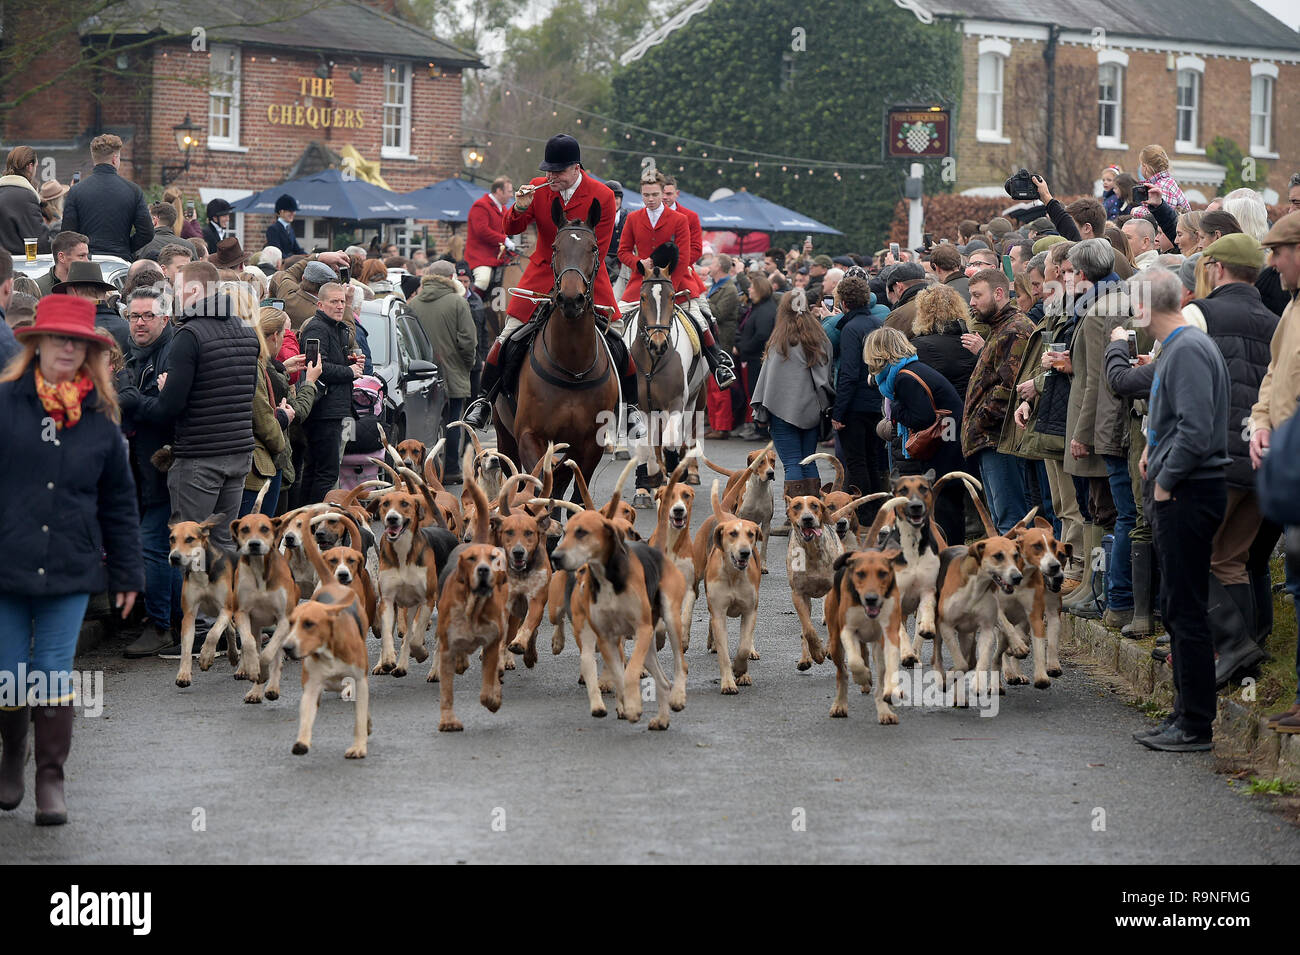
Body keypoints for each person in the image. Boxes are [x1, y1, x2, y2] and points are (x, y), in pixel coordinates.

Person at [0, 295, 143, 825]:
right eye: (58, 338)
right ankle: (13, 753)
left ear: (90, 352)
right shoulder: (5, 403)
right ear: (36, 343)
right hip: (7, 564)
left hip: (69, 565)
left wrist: (128, 572)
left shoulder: (101, 422)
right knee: (9, 675)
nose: (66, 348)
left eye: (77, 341)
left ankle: (50, 778)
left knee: (53, 673)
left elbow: (119, 504)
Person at [461, 134, 641, 435]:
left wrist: (575, 278)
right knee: (508, 333)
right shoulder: (539, 188)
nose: (550, 176)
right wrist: (519, 208)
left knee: (617, 339)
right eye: (548, 170)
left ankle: (630, 408)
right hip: (543, 273)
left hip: (585, 275)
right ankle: (483, 401)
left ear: (576, 168)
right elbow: (510, 228)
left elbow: (601, 245)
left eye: (557, 171)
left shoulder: (602, 196)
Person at [1133, 268, 1230, 752]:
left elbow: (1196, 428)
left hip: (1190, 490)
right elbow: (1179, 423)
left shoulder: (1187, 349)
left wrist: (1167, 480)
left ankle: (1195, 725)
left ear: (1148, 307)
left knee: (1185, 608)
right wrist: (1155, 448)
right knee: (1176, 605)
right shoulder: (1179, 348)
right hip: (1184, 485)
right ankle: (1182, 716)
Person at [1187, 233, 1278, 682]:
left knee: (1189, 555)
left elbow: (1175, 379)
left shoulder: (1198, 313)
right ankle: (1244, 663)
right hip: (1262, 459)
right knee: (1232, 560)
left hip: (1211, 459)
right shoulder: (1277, 319)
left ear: (1217, 268)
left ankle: (1230, 648)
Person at [125, 261, 259, 551]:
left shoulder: (190, 334)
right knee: (223, 543)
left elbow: (169, 407)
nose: (172, 294)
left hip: (200, 457)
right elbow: (247, 391)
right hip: (239, 452)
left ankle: (190, 599)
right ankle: (223, 598)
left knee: (189, 547)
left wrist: (143, 397)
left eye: (177, 288)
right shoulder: (246, 329)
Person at [1249, 212, 1300, 733]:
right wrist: (1262, 423)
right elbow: (1271, 374)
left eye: (1278, 252)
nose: (1272, 263)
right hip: (1287, 456)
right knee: (1298, 585)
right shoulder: (1290, 308)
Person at [116, 285, 181, 659]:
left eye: (147, 317)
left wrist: (131, 398)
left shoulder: (171, 351)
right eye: (134, 316)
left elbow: (168, 409)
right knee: (162, 547)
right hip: (144, 465)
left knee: (153, 545)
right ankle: (171, 620)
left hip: (167, 463)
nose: (139, 323)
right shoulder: (136, 352)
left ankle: (161, 626)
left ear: (165, 318)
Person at [868, 327, 966, 545]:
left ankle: (949, 551)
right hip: (949, 436)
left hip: (945, 443)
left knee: (944, 501)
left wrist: (895, 407)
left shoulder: (904, 378)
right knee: (946, 500)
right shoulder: (911, 369)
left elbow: (921, 417)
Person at [960, 268, 1034, 533]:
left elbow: (1009, 387)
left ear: (999, 293)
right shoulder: (1001, 328)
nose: (972, 302)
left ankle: (1020, 573)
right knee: (1001, 519)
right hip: (990, 438)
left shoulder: (1015, 330)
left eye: (977, 295)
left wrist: (980, 422)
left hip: (999, 439)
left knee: (1010, 522)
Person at [749, 287, 833, 517]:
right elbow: (824, 380)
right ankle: (814, 514)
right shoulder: (820, 340)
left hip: (781, 411)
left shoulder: (780, 342)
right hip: (812, 411)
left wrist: (763, 411)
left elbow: (769, 381)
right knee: (809, 460)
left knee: (793, 462)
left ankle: (795, 516)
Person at [660, 175, 736, 387]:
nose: (664, 197)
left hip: (683, 274)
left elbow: (695, 249)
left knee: (703, 315)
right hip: (651, 276)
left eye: (668, 193)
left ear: (676, 193)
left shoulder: (689, 216)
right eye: (661, 193)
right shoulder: (646, 216)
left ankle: (718, 362)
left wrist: (677, 264)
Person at [408, 261, 476, 482]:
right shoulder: (458, 302)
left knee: (426, 424)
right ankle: (451, 469)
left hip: (421, 374)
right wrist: (467, 364)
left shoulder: (413, 303)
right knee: (453, 422)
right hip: (453, 371)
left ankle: (424, 470)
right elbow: (468, 341)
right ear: (451, 277)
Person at [299, 282, 364, 502]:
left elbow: (329, 360)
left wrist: (349, 362)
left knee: (316, 470)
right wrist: (349, 371)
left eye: (342, 302)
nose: (339, 306)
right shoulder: (317, 328)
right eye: (333, 301)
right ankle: (316, 523)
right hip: (323, 410)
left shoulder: (336, 327)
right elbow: (316, 366)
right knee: (325, 473)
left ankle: (307, 521)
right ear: (320, 304)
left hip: (333, 408)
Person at [830, 275, 887, 523]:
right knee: (872, 458)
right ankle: (876, 509)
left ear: (843, 303)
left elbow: (849, 373)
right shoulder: (877, 322)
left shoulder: (850, 329)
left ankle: (864, 513)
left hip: (855, 404)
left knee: (857, 461)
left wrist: (838, 413)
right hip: (877, 400)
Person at [60, 134, 153, 260]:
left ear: (94, 159)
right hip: (120, 260)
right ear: (115, 159)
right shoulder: (133, 191)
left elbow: (67, 234)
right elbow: (146, 233)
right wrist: (125, 248)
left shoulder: (76, 191)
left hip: (86, 262)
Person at [51, 261, 128, 351]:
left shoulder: (69, 333)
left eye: (67, 294)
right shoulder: (128, 328)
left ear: (73, 292)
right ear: (104, 293)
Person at [735, 273, 777, 440]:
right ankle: (759, 426)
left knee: (759, 393)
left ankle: (761, 428)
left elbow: (762, 335)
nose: (749, 290)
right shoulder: (760, 307)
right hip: (755, 357)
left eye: (752, 287)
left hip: (758, 358)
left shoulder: (765, 310)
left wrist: (743, 348)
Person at [704, 253, 742, 439]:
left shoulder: (729, 289)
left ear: (719, 267)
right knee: (712, 388)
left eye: (712, 263)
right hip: (714, 342)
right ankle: (715, 424)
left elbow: (718, 313)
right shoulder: (719, 287)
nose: (709, 266)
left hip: (722, 343)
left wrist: (702, 298)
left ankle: (723, 427)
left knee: (721, 387)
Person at [465, 176, 514, 296]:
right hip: (480, 257)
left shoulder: (502, 208)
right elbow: (481, 231)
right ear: (499, 191)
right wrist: (504, 240)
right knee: (483, 280)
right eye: (509, 191)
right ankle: (471, 306)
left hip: (498, 256)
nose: (512, 195)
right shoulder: (480, 206)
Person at [0, 146, 51, 256]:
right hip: (18, 266)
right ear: (30, 166)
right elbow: (40, 242)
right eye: (36, 166)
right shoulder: (25, 196)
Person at [272, 254, 340, 330]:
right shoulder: (324, 312)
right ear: (326, 288)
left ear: (303, 278)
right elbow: (348, 335)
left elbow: (286, 274)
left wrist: (318, 257)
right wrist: (347, 303)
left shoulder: (287, 293)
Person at [34, 230, 89, 296]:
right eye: (81, 256)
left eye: (87, 255)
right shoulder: (38, 288)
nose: (87, 261)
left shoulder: (92, 286)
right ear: (62, 257)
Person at [881, 262, 927, 337]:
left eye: (894, 289)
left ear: (899, 287)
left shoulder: (898, 316)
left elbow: (888, 345)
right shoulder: (939, 302)